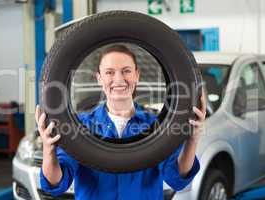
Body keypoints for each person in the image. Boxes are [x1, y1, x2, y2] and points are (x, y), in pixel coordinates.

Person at [36, 45, 206, 200]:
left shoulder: (157, 127)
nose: (118, 79)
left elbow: (177, 178)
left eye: (126, 71)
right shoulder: (80, 127)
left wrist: (192, 140)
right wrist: (48, 149)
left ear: (137, 75)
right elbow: (56, 183)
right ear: (99, 78)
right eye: (109, 72)